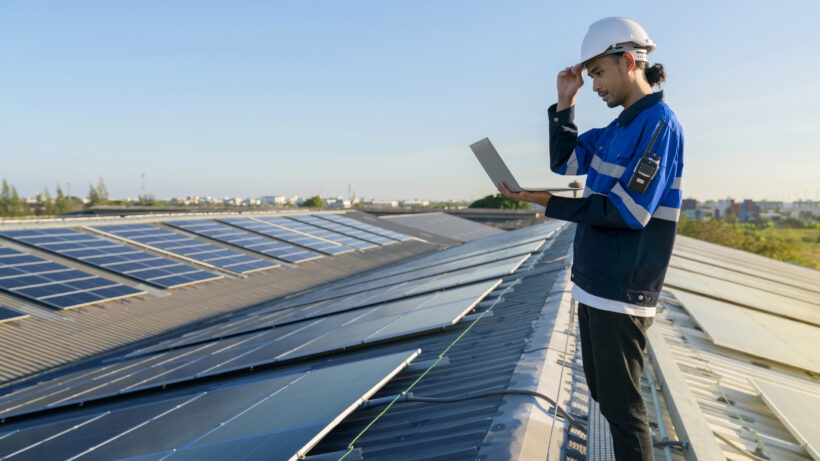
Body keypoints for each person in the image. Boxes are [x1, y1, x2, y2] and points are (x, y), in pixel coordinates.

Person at [497, 17, 683, 461]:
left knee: (623, 408)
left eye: (598, 72)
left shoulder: (659, 124)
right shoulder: (616, 130)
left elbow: (630, 211)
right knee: (604, 396)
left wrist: (549, 203)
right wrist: (565, 102)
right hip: (595, 282)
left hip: (622, 288)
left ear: (628, 61)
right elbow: (565, 165)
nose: (594, 84)